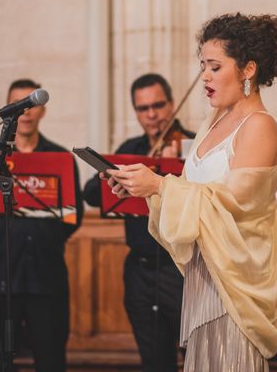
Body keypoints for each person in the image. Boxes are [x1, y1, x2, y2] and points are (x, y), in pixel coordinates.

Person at [104, 12, 277, 371]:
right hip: (203, 278)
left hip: (235, 285)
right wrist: (144, 189)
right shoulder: (213, 121)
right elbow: (193, 196)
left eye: (214, 67)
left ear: (248, 69)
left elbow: (231, 204)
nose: (204, 77)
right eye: (202, 67)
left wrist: (160, 184)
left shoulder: (260, 126)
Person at [0, 79, 84, 372]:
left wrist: (41, 230)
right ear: (9, 112)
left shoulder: (60, 158)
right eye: (18, 106)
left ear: (41, 111)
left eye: (30, 105)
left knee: (51, 359)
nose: (26, 112)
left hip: (45, 276)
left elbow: (74, 217)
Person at [82, 73, 195, 372]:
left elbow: (209, 197)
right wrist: (113, 175)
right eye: (143, 108)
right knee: (153, 360)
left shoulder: (193, 145)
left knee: (196, 357)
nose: (152, 114)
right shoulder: (130, 150)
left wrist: (177, 169)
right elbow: (90, 194)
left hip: (183, 269)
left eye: (158, 105)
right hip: (140, 270)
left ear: (172, 104)